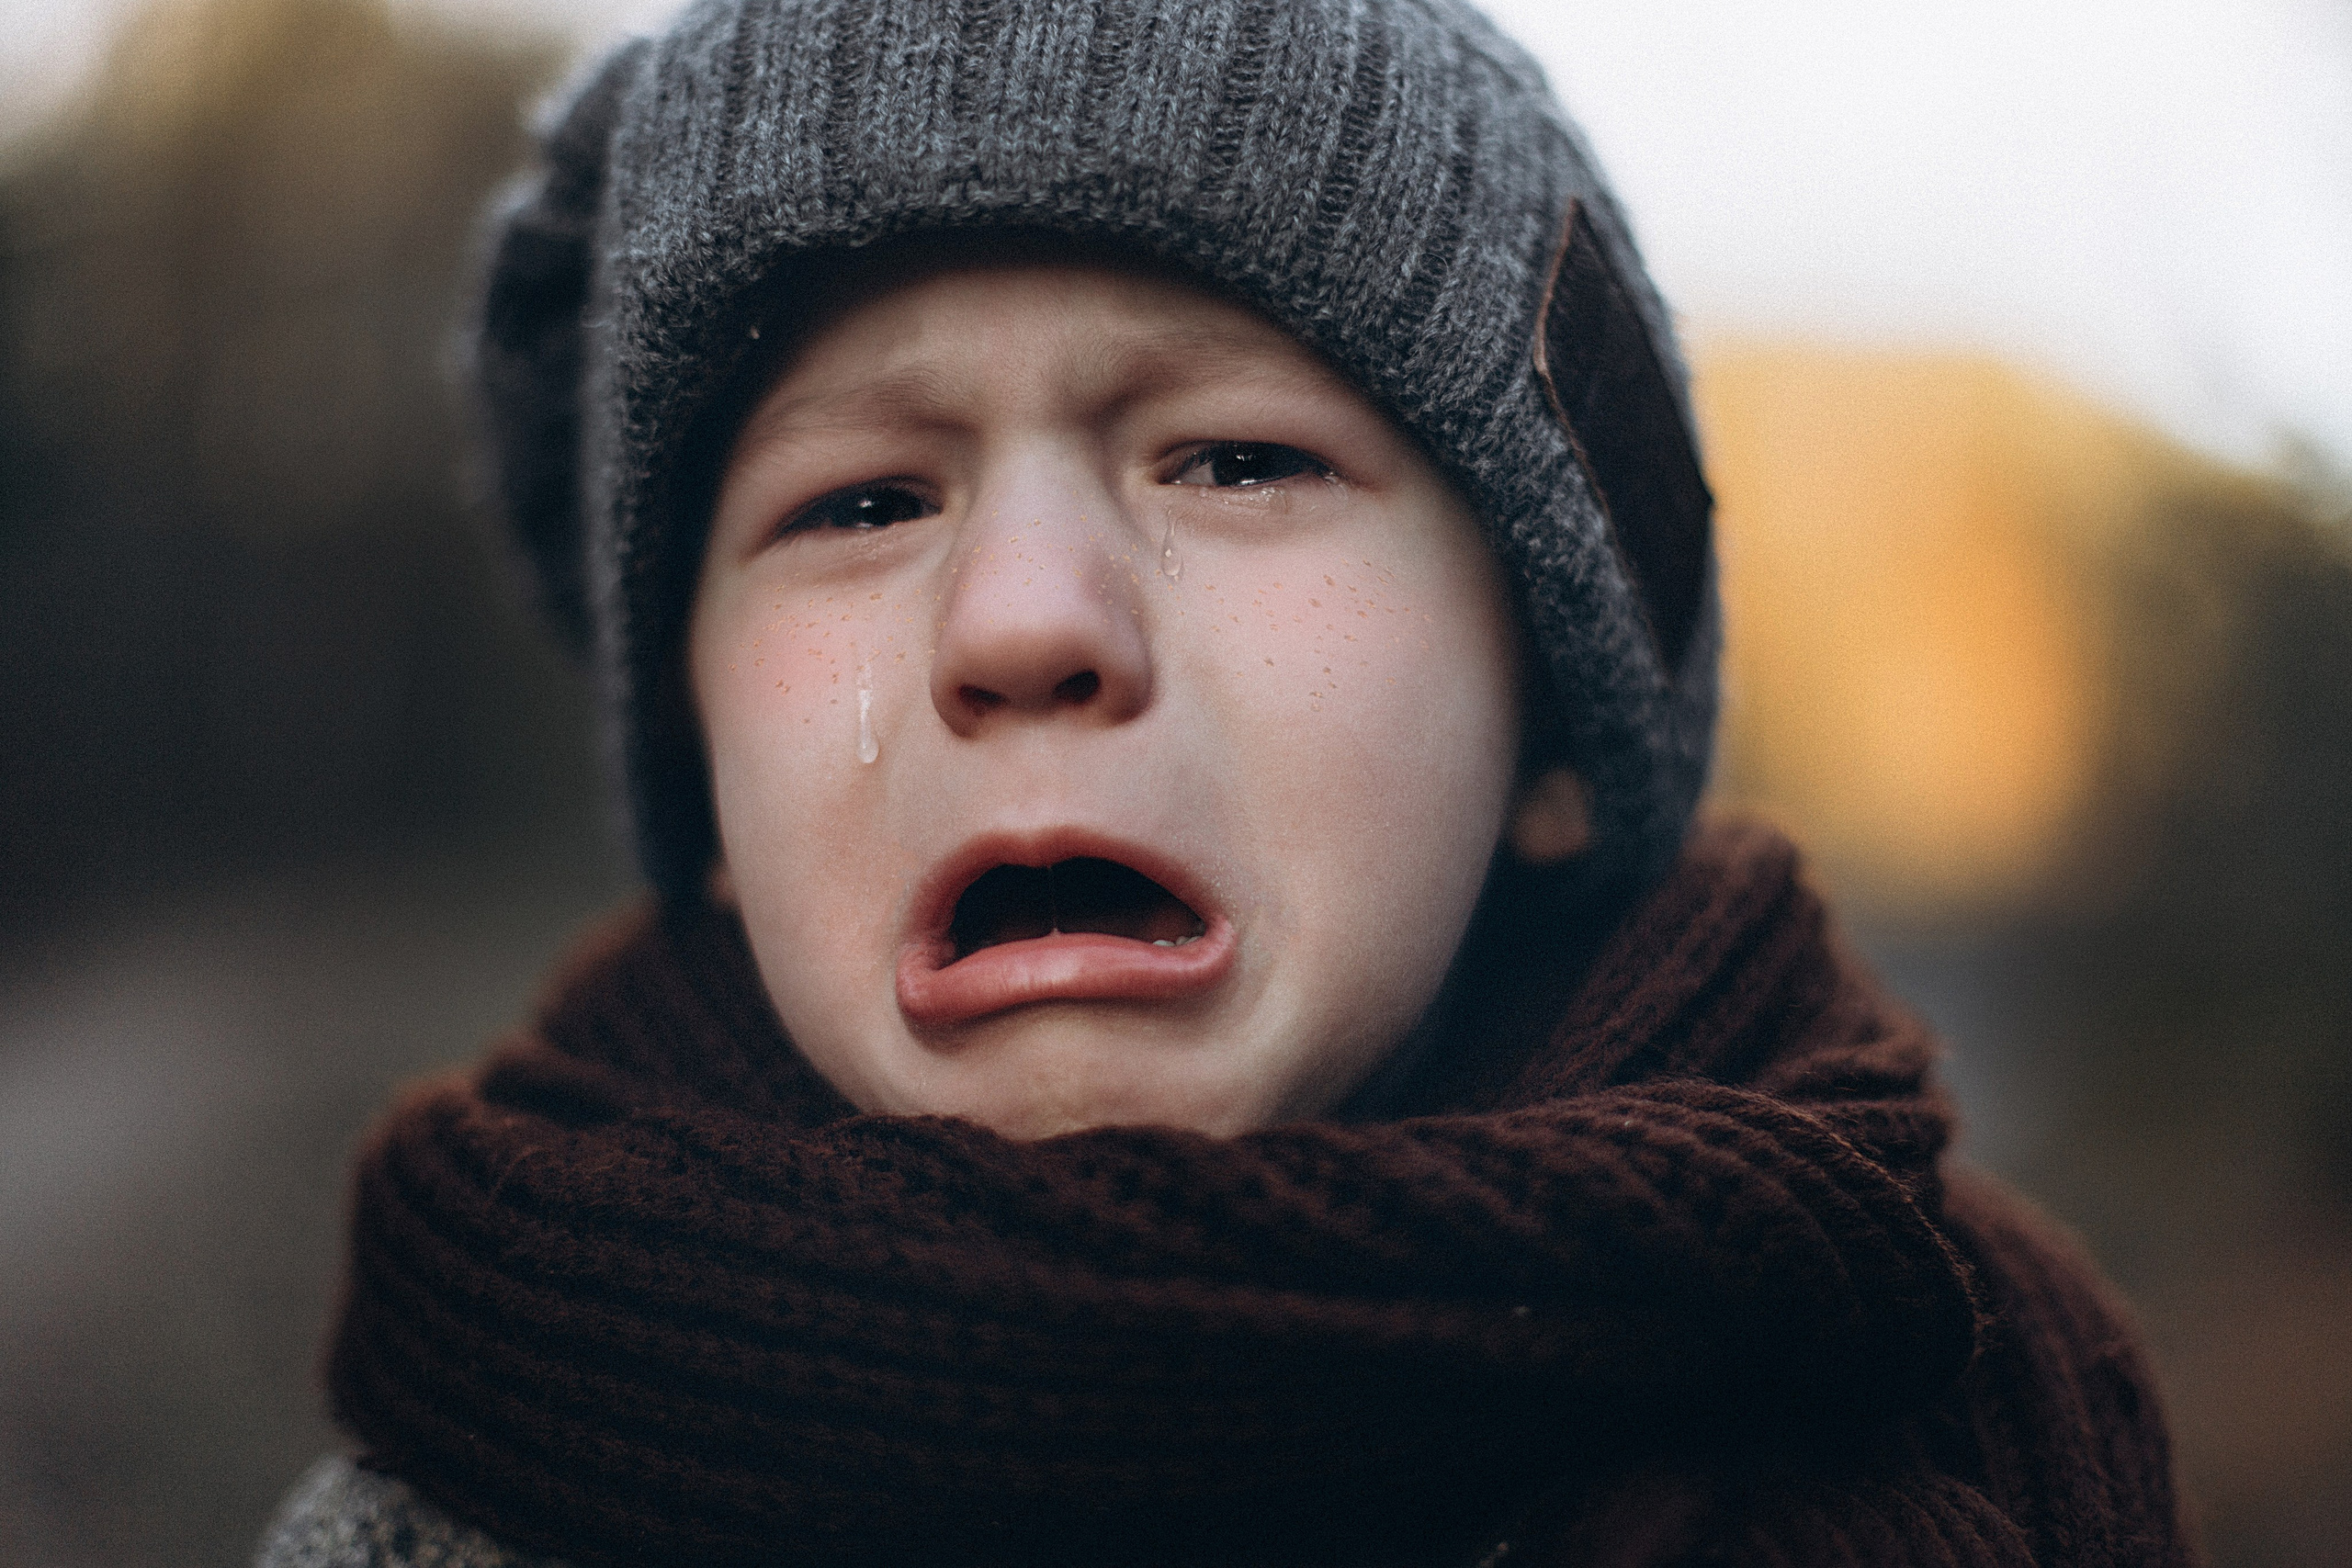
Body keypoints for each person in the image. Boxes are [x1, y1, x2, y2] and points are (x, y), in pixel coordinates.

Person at [257, 1, 2196, 1562]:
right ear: (709, 785)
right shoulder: (452, 1506)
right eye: (857, 499)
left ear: (1544, 722)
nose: (1021, 620)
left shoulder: (1952, 1408)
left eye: (1237, 461)